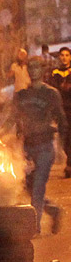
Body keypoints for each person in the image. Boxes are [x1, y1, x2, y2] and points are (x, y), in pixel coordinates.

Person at [5, 57, 67, 234]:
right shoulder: (21, 95)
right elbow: (11, 118)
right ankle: (53, 210)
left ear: (43, 69)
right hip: (28, 148)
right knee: (29, 188)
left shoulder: (51, 94)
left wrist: (63, 148)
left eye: (36, 67)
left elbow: (61, 120)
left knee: (38, 187)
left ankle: (34, 227)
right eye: (30, 67)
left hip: (46, 147)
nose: (33, 71)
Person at [48, 47, 71, 177]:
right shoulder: (55, 72)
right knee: (64, 137)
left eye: (67, 55)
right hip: (61, 109)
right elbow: (52, 89)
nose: (64, 57)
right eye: (62, 55)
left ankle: (69, 165)